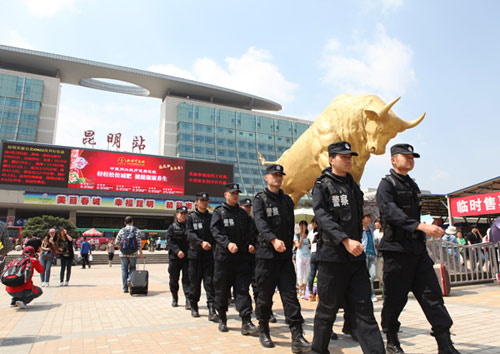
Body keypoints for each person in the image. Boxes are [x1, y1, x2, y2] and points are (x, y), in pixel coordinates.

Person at [376, 143, 460, 354]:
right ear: (393, 160)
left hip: (417, 250)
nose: (410, 159)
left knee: (432, 296)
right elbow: (391, 213)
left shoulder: (413, 185)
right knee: (395, 298)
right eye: (405, 156)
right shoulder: (387, 185)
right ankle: (392, 339)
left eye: (412, 157)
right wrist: (420, 226)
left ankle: (445, 343)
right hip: (396, 251)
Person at [311, 141, 385, 354]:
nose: (348, 160)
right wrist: (344, 240)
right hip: (332, 259)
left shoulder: (353, 186)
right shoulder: (322, 185)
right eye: (343, 157)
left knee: (364, 311)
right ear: (331, 159)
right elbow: (322, 216)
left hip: (355, 259)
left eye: (349, 156)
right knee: (327, 311)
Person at [253, 164, 311, 352]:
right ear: (266, 178)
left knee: (290, 296)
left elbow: (288, 225)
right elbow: (260, 223)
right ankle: (264, 330)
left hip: (285, 257)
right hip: (266, 256)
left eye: (280, 175)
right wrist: (273, 240)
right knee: (265, 297)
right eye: (274, 175)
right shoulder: (260, 200)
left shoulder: (286, 200)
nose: (277, 178)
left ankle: (297, 335)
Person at [210, 183, 258, 335]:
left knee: (243, 290)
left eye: (237, 193)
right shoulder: (219, 213)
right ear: (225, 195)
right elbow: (215, 231)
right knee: (222, 290)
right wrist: (227, 243)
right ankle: (223, 318)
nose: (235, 195)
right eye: (232, 193)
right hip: (224, 259)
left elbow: (251, 231)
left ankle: (246, 321)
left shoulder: (243, 214)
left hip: (241, 259)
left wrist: (251, 243)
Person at [241, 197, 278, 323]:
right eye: (245, 207)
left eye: (249, 207)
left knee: (260, 286)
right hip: (241, 257)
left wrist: (255, 246)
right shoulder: (237, 221)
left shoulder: (255, 220)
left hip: (256, 257)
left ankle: (264, 312)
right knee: (243, 287)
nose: (247, 209)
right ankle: (245, 315)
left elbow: (261, 235)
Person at [186, 192, 218, 320]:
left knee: (210, 283)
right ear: (197, 202)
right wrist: (200, 242)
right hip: (195, 255)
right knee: (195, 283)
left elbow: (216, 233)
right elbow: (189, 233)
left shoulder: (211, 217)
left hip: (209, 256)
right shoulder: (191, 217)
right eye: (202, 200)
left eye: (206, 200)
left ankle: (212, 308)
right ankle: (194, 306)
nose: (204, 202)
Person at [167, 206, 191, 308]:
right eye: (181, 213)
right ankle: (174, 298)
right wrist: (177, 251)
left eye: (185, 214)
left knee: (187, 280)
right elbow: (169, 241)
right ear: (177, 215)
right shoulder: (172, 227)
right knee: (173, 279)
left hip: (187, 258)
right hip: (174, 258)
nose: (184, 215)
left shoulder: (189, 227)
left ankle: (188, 300)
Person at [115, 216, 144, 293]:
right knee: (132, 268)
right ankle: (130, 279)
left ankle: (125, 288)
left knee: (124, 270)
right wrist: (141, 253)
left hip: (123, 253)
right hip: (133, 253)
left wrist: (121, 246)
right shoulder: (137, 230)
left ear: (125, 222)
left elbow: (116, 242)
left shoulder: (122, 230)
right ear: (132, 222)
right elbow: (139, 244)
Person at [361, 214, 378, 302]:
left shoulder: (371, 230)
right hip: (364, 253)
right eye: (367, 218)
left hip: (372, 254)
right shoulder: (360, 230)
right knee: (365, 275)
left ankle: (367, 292)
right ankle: (371, 294)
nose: (369, 219)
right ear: (363, 219)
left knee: (373, 274)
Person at [294, 220, 311, 299]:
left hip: (308, 256)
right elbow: (298, 246)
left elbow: (311, 245)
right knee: (300, 274)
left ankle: (304, 290)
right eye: (301, 226)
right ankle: (300, 289)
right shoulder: (297, 235)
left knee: (307, 273)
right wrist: (302, 239)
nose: (302, 227)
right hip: (300, 256)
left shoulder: (309, 235)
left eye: (304, 226)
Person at [307, 218, 319, 302]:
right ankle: (318, 294)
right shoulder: (319, 231)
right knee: (320, 274)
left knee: (312, 274)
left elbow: (309, 245)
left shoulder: (310, 233)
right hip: (319, 253)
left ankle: (310, 293)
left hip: (312, 253)